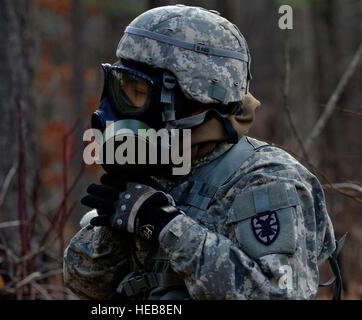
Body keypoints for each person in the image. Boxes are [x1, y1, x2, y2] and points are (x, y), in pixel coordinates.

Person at [63, 5, 340, 300]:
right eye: (118, 87)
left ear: (193, 98)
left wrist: (168, 227)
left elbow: (280, 294)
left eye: (137, 93)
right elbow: (84, 283)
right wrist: (116, 226)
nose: (116, 108)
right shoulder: (158, 169)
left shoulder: (268, 179)